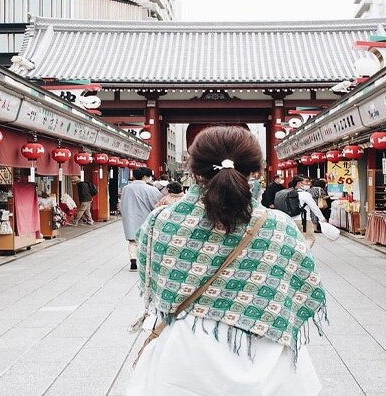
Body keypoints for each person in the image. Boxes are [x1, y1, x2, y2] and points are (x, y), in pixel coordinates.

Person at [128, 126, 325, 396]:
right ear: (255, 170)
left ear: (194, 170)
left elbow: (151, 285)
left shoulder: (160, 222)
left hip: (183, 356)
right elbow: (301, 284)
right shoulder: (279, 225)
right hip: (265, 353)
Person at [121, 167, 163, 272]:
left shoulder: (126, 188)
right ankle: (145, 262)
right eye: (149, 176)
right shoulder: (151, 189)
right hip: (146, 217)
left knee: (132, 240)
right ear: (145, 177)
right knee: (146, 240)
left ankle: (133, 260)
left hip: (130, 216)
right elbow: (158, 204)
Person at [289, 175, 327, 247]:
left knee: (295, 239)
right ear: (299, 184)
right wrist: (322, 218)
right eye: (306, 181)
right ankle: (304, 253)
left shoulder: (288, 193)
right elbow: (314, 208)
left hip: (291, 220)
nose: (309, 183)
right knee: (309, 238)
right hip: (304, 221)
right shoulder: (305, 194)